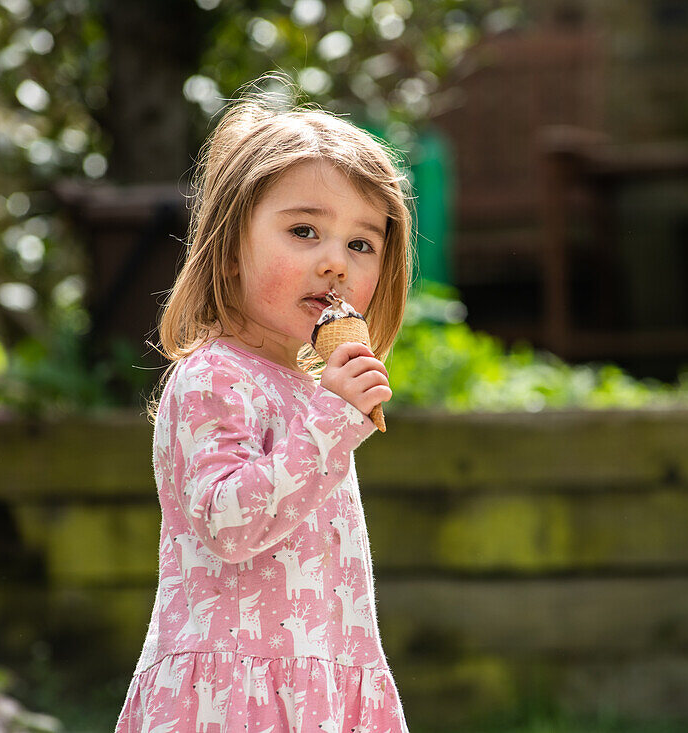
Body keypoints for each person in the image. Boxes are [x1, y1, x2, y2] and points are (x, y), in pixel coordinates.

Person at [115, 83, 413, 733]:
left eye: (361, 244)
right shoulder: (212, 377)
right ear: (230, 242)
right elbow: (229, 524)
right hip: (233, 702)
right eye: (304, 230)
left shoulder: (308, 388)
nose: (335, 261)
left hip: (320, 683)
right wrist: (334, 419)